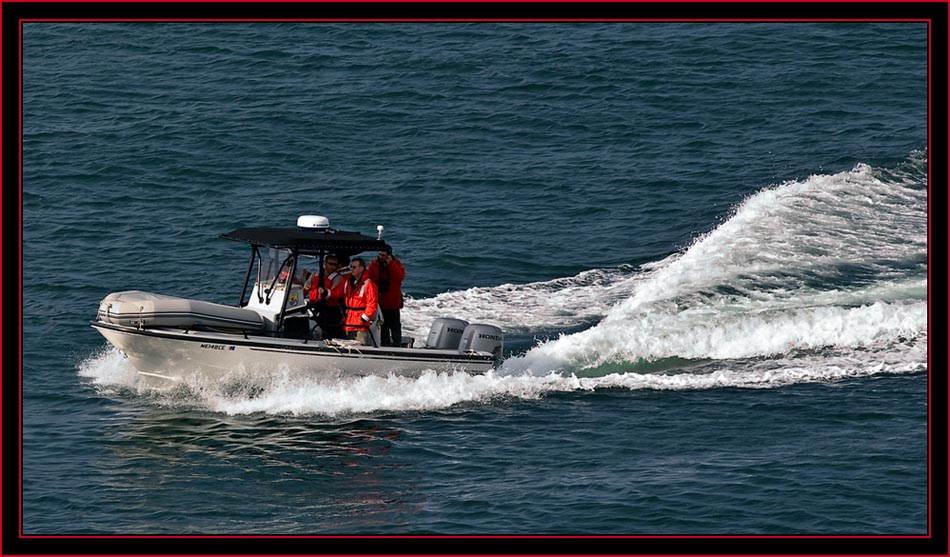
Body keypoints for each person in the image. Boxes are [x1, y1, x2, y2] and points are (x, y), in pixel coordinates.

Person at [304, 255, 350, 340]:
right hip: (313, 306)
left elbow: (332, 293)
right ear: (325, 263)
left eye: (335, 265)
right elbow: (306, 286)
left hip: (330, 309)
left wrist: (323, 293)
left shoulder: (338, 278)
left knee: (330, 331)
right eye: (331, 264)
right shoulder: (315, 274)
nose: (333, 267)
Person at [367, 247, 406, 347]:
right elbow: (370, 279)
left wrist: (391, 265)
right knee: (382, 326)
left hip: (393, 302)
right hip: (380, 301)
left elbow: (399, 277)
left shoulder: (396, 264)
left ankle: (397, 345)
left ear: (389, 255)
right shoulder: (374, 265)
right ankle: (385, 344)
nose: (381, 257)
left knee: (395, 326)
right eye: (380, 255)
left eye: (383, 255)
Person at [341, 257, 379, 346]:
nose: (351, 269)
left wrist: (363, 318)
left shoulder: (368, 284)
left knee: (361, 347)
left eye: (354, 267)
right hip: (348, 321)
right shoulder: (348, 282)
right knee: (347, 347)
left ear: (361, 268)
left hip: (360, 324)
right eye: (351, 267)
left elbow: (372, 304)